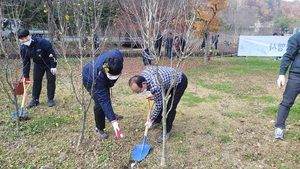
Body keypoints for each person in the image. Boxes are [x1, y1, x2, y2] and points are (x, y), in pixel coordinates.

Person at [128, 66, 188, 143]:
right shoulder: (143, 76)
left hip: (179, 81)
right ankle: (157, 121)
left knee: (170, 107)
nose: (138, 93)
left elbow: (159, 105)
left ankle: (166, 131)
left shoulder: (155, 86)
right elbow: (159, 95)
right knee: (160, 100)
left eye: (138, 91)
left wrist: (151, 119)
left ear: (144, 83)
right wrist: (156, 96)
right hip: (166, 82)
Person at [82, 49, 124, 140]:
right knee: (100, 103)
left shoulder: (118, 56)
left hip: (102, 76)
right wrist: (114, 122)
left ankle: (109, 114)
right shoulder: (97, 77)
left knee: (105, 99)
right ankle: (99, 128)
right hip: (89, 78)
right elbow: (103, 99)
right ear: (107, 71)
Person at [18, 29, 57, 108]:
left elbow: (52, 55)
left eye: (26, 37)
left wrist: (53, 66)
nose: (25, 40)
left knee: (51, 80)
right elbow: (26, 62)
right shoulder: (23, 48)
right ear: (20, 40)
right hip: (38, 64)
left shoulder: (42, 42)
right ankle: (35, 99)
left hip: (49, 64)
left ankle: (50, 99)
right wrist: (26, 76)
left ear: (30, 35)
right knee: (36, 81)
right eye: (22, 39)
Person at [274, 32, 300, 140]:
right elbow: (288, 56)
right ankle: (279, 127)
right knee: (286, 102)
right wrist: (281, 74)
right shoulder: (296, 37)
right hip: (296, 76)